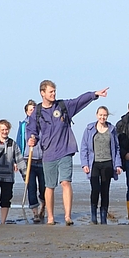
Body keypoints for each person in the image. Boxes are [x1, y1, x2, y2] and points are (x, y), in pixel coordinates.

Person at [26, 80, 109, 225]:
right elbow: (32, 130)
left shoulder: (63, 106)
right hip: (48, 153)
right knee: (49, 186)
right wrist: (32, 138)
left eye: (54, 91)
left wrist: (94, 94)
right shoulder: (37, 112)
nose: (53, 94)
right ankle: (50, 218)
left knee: (65, 182)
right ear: (42, 93)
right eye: (50, 91)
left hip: (65, 150)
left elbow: (78, 101)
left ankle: (67, 216)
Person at [80, 106, 123, 224]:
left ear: (107, 116)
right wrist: (84, 164)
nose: (102, 117)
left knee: (105, 190)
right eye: (100, 115)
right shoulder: (89, 129)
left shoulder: (112, 129)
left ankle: (103, 216)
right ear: (96, 115)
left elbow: (117, 148)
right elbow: (84, 147)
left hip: (108, 163)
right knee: (95, 189)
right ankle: (93, 215)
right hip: (94, 163)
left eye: (104, 115)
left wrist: (118, 165)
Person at [0, 120, 27, 224]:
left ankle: (3, 221)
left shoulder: (12, 143)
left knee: (6, 199)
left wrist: (25, 175)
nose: (5, 132)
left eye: (7, 129)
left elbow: (19, 159)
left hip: (8, 177)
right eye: (3, 130)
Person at [17, 99, 46, 223]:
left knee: (44, 187)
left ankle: (43, 205)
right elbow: (19, 142)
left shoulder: (44, 123)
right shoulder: (24, 125)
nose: (33, 111)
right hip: (28, 159)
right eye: (30, 109)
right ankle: (35, 212)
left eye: (35, 109)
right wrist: (16, 161)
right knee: (31, 187)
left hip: (43, 159)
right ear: (26, 112)